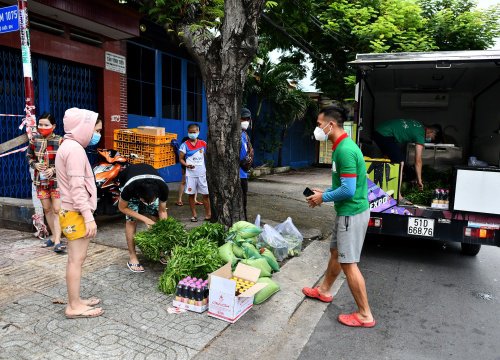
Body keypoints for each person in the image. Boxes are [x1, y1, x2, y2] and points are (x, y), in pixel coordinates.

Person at [303, 106, 375, 328]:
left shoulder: (344, 150)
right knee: (336, 253)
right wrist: (323, 192)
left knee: (348, 263)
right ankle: (324, 290)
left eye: (318, 124)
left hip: (351, 213)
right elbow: (343, 185)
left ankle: (365, 314)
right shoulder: (341, 146)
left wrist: (322, 197)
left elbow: (348, 190)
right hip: (347, 212)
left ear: (330, 125)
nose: (317, 129)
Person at [55, 108, 103, 319]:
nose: (97, 135)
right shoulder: (74, 149)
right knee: (76, 260)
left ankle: (76, 300)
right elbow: (77, 188)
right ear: (83, 127)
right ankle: (73, 306)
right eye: (96, 130)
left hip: (71, 211)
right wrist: (88, 216)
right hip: (75, 212)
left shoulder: (68, 146)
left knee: (76, 259)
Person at [373, 119, 441, 203]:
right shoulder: (420, 134)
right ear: (432, 132)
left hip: (380, 131)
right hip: (385, 134)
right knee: (400, 163)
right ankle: (398, 196)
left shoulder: (419, 126)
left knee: (391, 161)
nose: (430, 140)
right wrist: (419, 180)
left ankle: (385, 190)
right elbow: (418, 160)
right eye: (432, 138)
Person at [117, 163, 169, 273]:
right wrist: (146, 219)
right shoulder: (130, 188)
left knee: (156, 218)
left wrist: (165, 231)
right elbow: (122, 207)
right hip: (129, 181)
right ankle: (132, 257)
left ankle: (161, 251)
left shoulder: (162, 187)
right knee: (131, 221)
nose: (147, 203)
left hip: (151, 182)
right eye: (145, 201)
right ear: (139, 196)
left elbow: (162, 211)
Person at [27, 113, 65, 252]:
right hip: (40, 181)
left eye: (46, 125)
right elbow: (29, 156)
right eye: (40, 124)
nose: (42, 127)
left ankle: (58, 241)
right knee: (47, 209)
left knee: (56, 210)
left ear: (53, 126)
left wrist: (53, 169)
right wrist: (34, 164)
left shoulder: (61, 141)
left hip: (56, 181)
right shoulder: (34, 140)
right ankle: (55, 237)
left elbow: (65, 161)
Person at [178, 123, 211, 222]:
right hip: (190, 175)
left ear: (198, 132)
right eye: (190, 132)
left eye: (194, 132)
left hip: (202, 174)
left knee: (206, 195)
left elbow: (208, 156)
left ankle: (208, 214)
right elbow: (181, 159)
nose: (192, 134)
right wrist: (186, 165)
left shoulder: (203, 143)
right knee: (191, 195)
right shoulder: (184, 145)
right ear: (188, 132)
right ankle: (194, 215)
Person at [176, 136, 203, 207]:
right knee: (184, 181)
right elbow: (181, 156)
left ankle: (195, 200)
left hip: (196, 166)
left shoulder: (199, 141)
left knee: (196, 182)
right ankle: (179, 200)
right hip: (186, 164)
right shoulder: (185, 141)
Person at [239, 108, 254, 221]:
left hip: (243, 174)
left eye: (248, 119)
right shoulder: (236, 134)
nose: (246, 121)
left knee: (243, 201)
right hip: (238, 175)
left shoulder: (245, 134)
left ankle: (244, 221)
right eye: (243, 119)